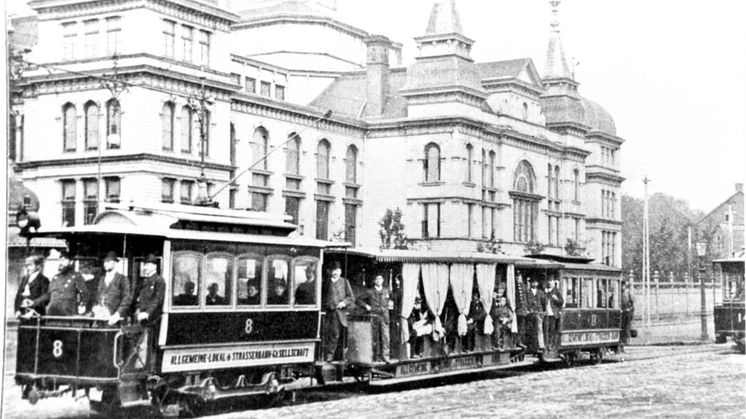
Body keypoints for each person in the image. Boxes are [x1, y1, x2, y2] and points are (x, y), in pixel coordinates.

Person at [322, 261, 354, 362]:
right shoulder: (326, 282)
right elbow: (322, 295)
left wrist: (344, 303)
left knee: (335, 334)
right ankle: (326, 354)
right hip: (328, 312)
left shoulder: (344, 282)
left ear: (340, 271)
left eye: (337, 270)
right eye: (333, 270)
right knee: (326, 333)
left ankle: (331, 355)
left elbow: (351, 297)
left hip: (339, 313)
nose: (335, 272)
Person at [359, 274, 394, 363]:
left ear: (383, 280)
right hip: (374, 316)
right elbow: (358, 300)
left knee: (385, 337)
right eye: (377, 279)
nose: (379, 280)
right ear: (374, 281)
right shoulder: (369, 292)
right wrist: (366, 306)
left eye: (380, 279)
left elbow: (393, 299)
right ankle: (376, 357)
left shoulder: (387, 291)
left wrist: (390, 305)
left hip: (384, 316)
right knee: (375, 337)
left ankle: (386, 357)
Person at [44, 251, 90, 316]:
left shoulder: (76, 276)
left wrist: (82, 305)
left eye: (64, 260)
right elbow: (48, 295)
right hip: (53, 313)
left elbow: (84, 294)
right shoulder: (55, 277)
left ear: (71, 262)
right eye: (60, 260)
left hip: (68, 314)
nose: (61, 263)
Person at [92, 251, 132, 325]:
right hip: (100, 319)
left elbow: (126, 299)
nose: (105, 264)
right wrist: (95, 308)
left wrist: (118, 314)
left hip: (115, 320)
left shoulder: (122, 279)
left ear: (115, 263)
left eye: (109, 261)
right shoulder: (101, 279)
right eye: (104, 262)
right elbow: (96, 297)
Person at [134, 254, 165, 324]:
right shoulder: (143, 281)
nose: (145, 267)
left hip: (153, 320)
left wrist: (147, 313)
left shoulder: (159, 280)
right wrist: (138, 309)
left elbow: (157, 300)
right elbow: (139, 297)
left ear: (154, 266)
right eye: (144, 265)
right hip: (141, 318)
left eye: (147, 265)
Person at [525, 277, 546, 352]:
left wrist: (543, 311)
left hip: (539, 313)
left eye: (535, 282)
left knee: (539, 329)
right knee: (531, 330)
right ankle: (532, 346)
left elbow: (544, 303)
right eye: (532, 282)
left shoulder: (540, 292)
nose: (534, 284)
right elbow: (526, 302)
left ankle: (541, 345)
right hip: (530, 313)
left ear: (537, 283)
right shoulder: (527, 292)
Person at [543, 280, 564, 350]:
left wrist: (556, 299)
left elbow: (561, 301)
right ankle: (546, 344)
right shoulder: (545, 291)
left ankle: (551, 344)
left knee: (552, 329)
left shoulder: (556, 291)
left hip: (553, 314)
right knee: (546, 329)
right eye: (549, 282)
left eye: (551, 282)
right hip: (546, 313)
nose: (549, 283)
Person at [620, 281, 634, 350]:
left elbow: (631, 302)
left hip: (627, 311)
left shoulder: (627, 292)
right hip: (621, 312)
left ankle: (626, 341)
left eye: (623, 285)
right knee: (621, 327)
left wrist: (630, 309)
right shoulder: (618, 293)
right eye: (621, 285)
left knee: (627, 327)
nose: (622, 287)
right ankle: (622, 342)